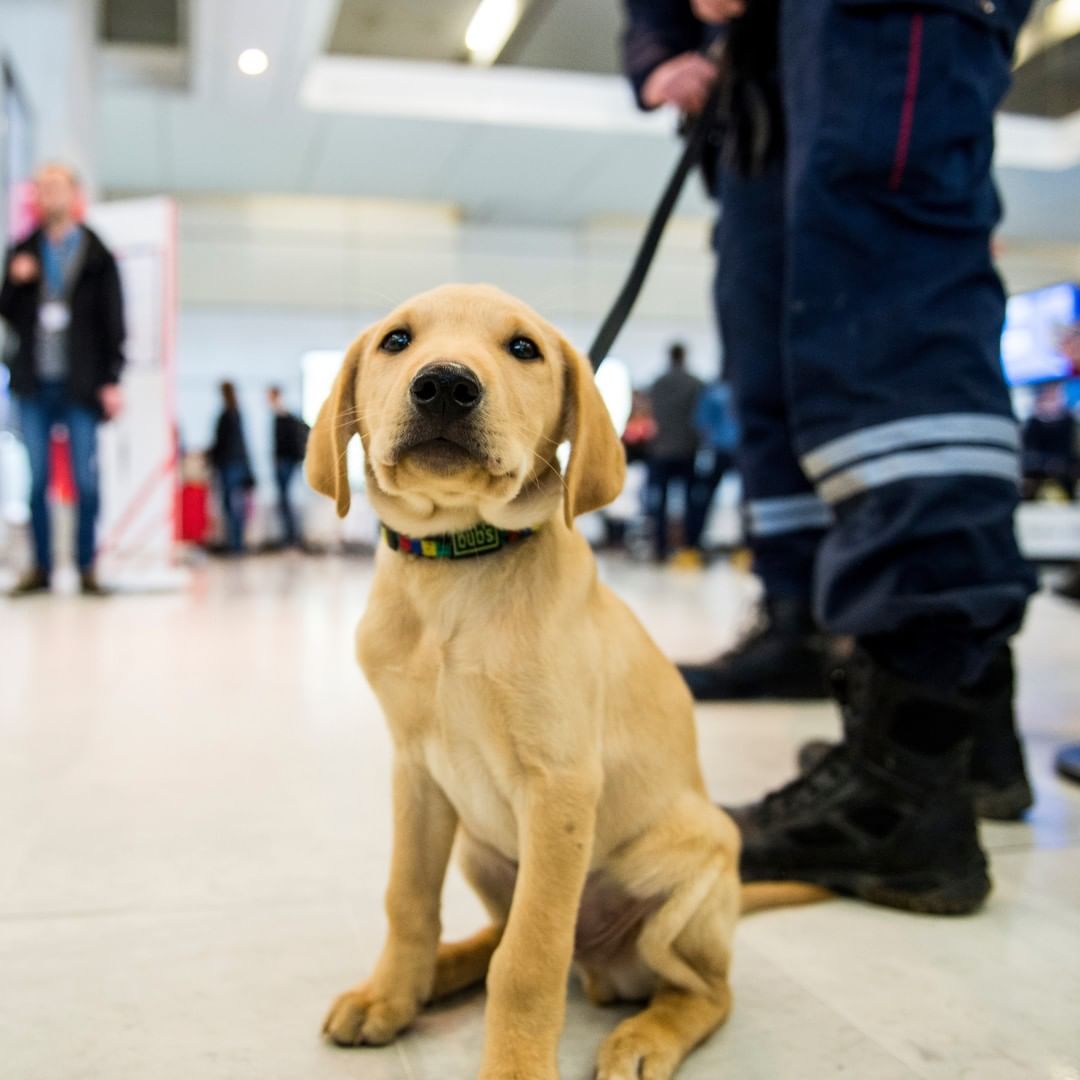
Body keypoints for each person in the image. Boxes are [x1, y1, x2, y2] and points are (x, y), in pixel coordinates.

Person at [624, 0, 1037, 911]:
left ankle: (917, 758)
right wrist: (659, 45)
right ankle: (887, 694)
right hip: (761, 68)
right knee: (785, 352)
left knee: (883, 306)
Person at [0, 163, 125, 597]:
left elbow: (113, 320)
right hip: (35, 382)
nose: (46, 195)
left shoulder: (96, 254)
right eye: (41, 188)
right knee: (35, 481)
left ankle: (88, 566)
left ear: (74, 194)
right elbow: (8, 313)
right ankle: (41, 567)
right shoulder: (23, 251)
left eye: (55, 187)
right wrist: (16, 283)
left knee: (85, 480)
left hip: (82, 383)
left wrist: (111, 378)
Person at [647, 342, 704, 561]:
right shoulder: (696, 384)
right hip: (687, 451)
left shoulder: (657, 384)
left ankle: (659, 548)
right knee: (691, 501)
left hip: (660, 451)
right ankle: (689, 546)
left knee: (658, 501)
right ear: (684, 356)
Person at [682, 375, 739, 561]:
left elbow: (701, 423)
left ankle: (693, 544)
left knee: (704, 498)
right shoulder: (737, 388)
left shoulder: (713, 392)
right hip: (735, 450)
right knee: (744, 499)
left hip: (721, 450)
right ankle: (747, 544)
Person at [208, 381, 253, 554]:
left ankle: (235, 545)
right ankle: (237, 543)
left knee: (230, 505)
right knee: (237, 505)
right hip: (238, 464)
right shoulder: (237, 414)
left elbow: (222, 444)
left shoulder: (226, 416)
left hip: (229, 465)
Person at [268, 385, 309, 549]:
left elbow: (303, 431)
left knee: (286, 501)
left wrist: (294, 457)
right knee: (283, 501)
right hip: (283, 463)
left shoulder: (286, 416)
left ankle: (292, 538)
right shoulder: (278, 416)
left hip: (286, 463)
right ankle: (289, 537)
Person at [1020, 381, 1076, 501]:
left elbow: (1070, 445)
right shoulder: (1034, 421)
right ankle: (1029, 495)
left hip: (1064, 460)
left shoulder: (1068, 420)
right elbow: (1030, 445)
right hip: (1037, 460)